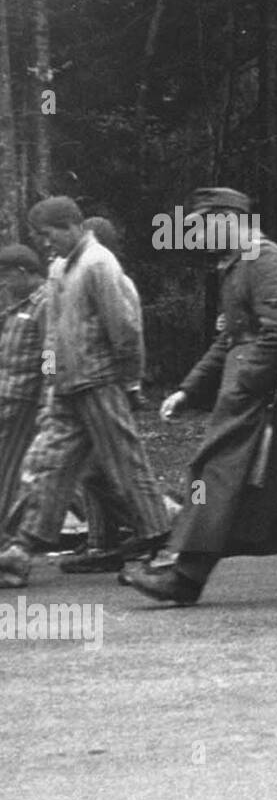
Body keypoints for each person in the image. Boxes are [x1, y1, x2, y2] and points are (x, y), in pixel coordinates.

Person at [124, 187, 277, 604]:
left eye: (201, 224)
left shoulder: (262, 259)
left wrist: (249, 380)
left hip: (263, 394)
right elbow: (230, 337)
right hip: (255, 390)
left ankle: (185, 578)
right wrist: (188, 388)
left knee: (217, 473)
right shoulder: (238, 264)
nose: (195, 234)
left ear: (228, 220)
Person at [0, 198, 170, 589]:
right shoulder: (60, 270)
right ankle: (19, 550)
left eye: (48, 235)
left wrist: (130, 382)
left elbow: (125, 330)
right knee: (44, 463)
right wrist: (49, 385)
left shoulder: (99, 264)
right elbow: (51, 338)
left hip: (99, 381)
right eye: (39, 237)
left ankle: (163, 545)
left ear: (72, 226)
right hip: (64, 387)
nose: (45, 244)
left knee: (126, 465)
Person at [0, 245, 49, 548]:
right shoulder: (16, 305)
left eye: (6, 277)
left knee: (8, 467)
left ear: (22, 272)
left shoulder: (44, 303)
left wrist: (47, 391)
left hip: (24, 400)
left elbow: (51, 352)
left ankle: (4, 537)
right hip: (8, 396)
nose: (3, 284)